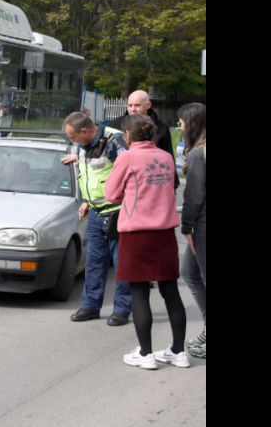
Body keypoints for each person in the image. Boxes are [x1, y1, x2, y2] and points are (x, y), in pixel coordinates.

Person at [106, 115, 189, 370]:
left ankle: (146, 354)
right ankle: (178, 351)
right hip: (165, 233)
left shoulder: (127, 157)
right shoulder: (165, 157)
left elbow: (110, 194)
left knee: (139, 292)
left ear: (127, 136)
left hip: (136, 233)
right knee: (170, 291)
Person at [62, 113, 132, 326]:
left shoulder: (114, 140)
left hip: (116, 212)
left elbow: (130, 174)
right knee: (94, 263)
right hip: (94, 212)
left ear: (84, 132)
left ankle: (121, 310)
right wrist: (86, 201)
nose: (71, 142)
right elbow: (90, 176)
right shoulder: (81, 146)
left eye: (73, 137)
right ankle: (91, 307)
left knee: (121, 265)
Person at [179, 103, 207, 360]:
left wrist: (186, 226)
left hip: (202, 225)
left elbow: (194, 195)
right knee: (189, 272)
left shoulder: (199, 153)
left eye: (182, 122)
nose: (180, 126)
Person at [109, 91, 176, 184]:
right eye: (130, 105)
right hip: (122, 180)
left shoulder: (161, 128)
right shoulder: (116, 124)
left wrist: (174, 185)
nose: (133, 109)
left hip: (152, 181)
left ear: (148, 105)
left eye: (137, 105)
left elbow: (168, 156)